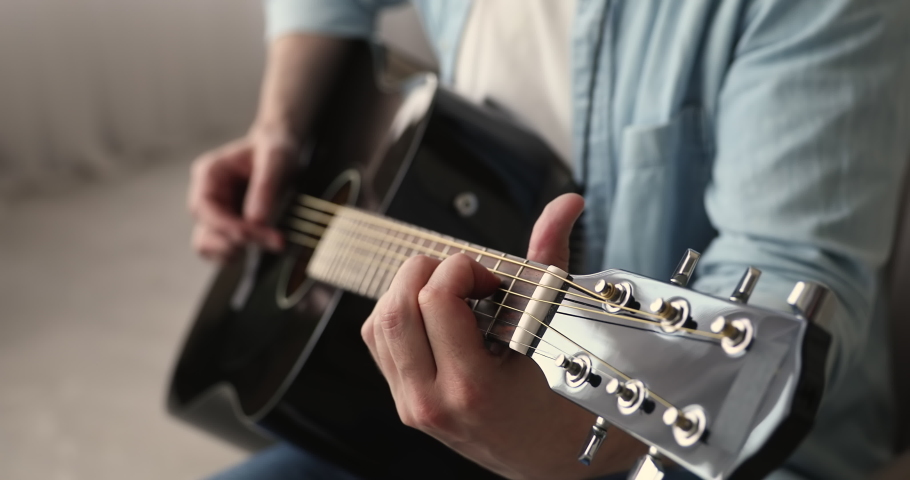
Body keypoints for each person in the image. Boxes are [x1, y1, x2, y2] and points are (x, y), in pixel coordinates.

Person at [187, 1, 910, 478]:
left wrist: (571, 457)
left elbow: (789, 287)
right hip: (458, 380)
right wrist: (282, 126)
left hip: (674, 452)